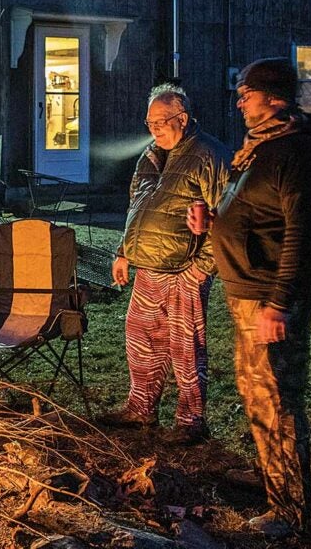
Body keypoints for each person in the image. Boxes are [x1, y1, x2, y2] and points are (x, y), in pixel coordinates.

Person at [204, 57, 311, 539]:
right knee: (258, 398)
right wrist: (213, 225)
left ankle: (293, 512)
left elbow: (301, 234)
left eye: (246, 93)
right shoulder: (259, 149)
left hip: (269, 298)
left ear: (274, 97)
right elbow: (254, 216)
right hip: (247, 293)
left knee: (277, 401)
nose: (239, 102)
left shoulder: (297, 154)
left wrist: (279, 302)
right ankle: (277, 499)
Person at [104, 83, 231, 443]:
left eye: (161, 121)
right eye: (149, 122)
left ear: (183, 118)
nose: (154, 129)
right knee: (140, 336)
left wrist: (202, 267)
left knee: (185, 345)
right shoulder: (150, 156)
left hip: (185, 270)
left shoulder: (209, 155)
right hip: (149, 268)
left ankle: (191, 421)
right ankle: (141, 407)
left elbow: (228, 214)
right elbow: (137, 209)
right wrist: (123, 250)